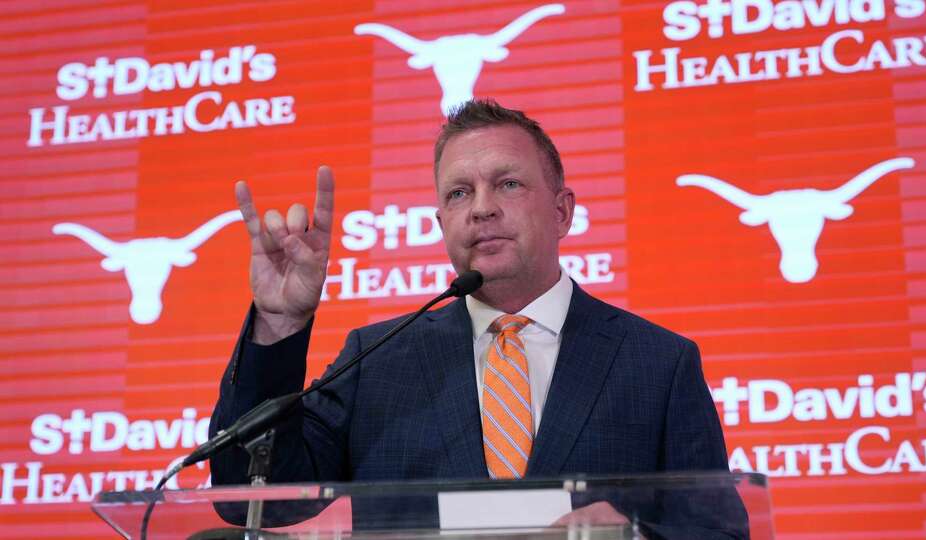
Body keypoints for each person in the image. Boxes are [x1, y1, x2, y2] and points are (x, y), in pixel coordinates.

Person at [210, 99, 745, 538]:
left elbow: (720, 532)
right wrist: (279, 320)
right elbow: (252, 501)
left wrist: (637, 535)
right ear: (441, 222)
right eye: (459, 192)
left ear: (562, 211)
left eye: (508, 184)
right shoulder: (377, 361)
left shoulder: (659, 364)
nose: (481, 208)